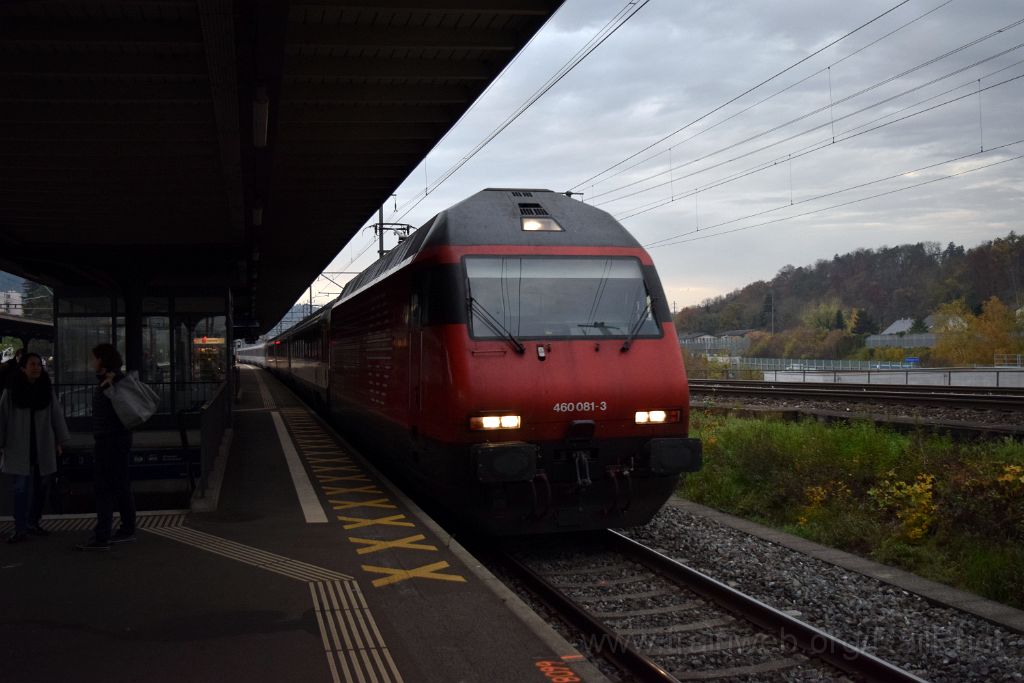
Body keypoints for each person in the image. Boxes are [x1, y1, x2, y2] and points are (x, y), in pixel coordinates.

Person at [0, 352, 70, 543]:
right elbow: (3, 418)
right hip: (18, 443)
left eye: (39, 364)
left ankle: (32, 522)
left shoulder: (46, 389)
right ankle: (21, 527)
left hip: (42, 443)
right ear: (23, 368)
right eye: (32, 364)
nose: (37, 368)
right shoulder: (12, 391)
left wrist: (60, 440)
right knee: (20, 488)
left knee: (41, 485)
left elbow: (56, 415)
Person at [77, 343, 136, 551]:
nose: (92, 362)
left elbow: (118, 410)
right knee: (120, 486)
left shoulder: (113, 382)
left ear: (102, 360)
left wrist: (109, 388)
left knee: (103, 489)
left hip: (110, 441)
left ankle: (102, 536)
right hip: (116, 441)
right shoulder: (111, 380)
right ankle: (128, 529)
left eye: (94, 358)